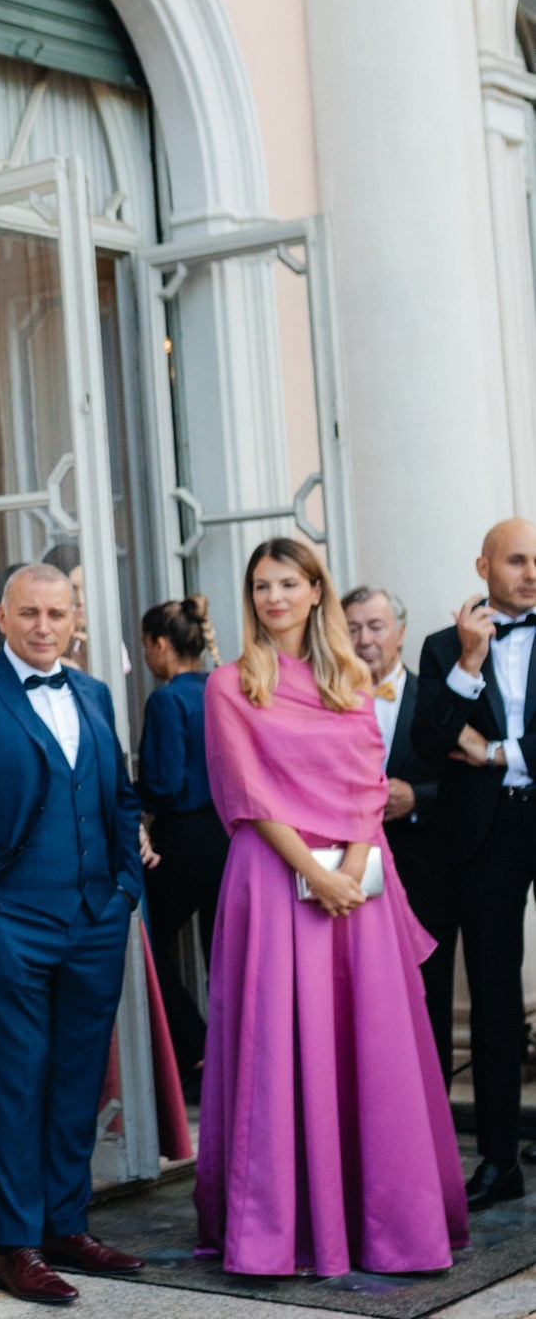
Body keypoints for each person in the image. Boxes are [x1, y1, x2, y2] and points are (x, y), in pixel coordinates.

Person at [197, 537, 466, 1278]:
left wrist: (347, 869)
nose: (273, 598)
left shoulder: (349, 680)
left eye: (288, 583)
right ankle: (282, 1228)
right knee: (279, 1045)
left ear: (316, 591)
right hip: (271, 874)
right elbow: (247, 793)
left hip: (354, 880)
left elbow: (365, 786)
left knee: (369, 1043)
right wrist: (314, 873)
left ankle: (384, 1224)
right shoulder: (229, 685)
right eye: (261, 586)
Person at [0, 562, 145, 1308]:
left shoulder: (94, 693)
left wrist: (125, 887)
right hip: (10, 920)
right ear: (2, 617)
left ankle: (65, 1225)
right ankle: (14, 1246)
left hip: (95, 917)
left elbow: (119, 798)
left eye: (57, 613)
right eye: (29, 613)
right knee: (18, 1081)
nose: (44, 626)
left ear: (73, 618)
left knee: (79, 1076)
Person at [411, 518, 536, 1210]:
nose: (531, 573)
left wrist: (494, 752)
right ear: (483, 567)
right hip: (484, 835)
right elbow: (429, 742)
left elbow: (469, 748)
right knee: (492, 995)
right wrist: (467, 662)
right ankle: (498, 1159)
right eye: (516, 560)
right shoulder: (441, 648)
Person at [342, 584, 457, 1090]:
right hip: (349, 875)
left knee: (429, 996)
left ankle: (434, 1110)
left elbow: (468, 781)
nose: (365, 639)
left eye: (376, 626)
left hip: (424, 871)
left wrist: (419, 798)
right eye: (352, 629)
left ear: (401, 632)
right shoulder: (325, 704)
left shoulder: (435, 698)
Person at [137, 596, 227, 1092]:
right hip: (229, 835)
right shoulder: (222, 687)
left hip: (185, 835)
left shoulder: (167, 699)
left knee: (141, 937)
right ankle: (231, 1058)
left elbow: (164, 783)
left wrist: (125, 797)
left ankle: (196, 1051)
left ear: (160, 644)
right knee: (223, 955)